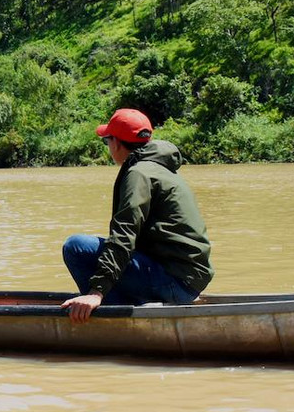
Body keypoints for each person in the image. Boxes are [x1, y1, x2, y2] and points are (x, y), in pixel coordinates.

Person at [61, 108, 213, 322]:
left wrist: (96, 291)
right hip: (190, 280)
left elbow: (124, 233)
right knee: (101, 251)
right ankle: (129, 300)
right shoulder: (162, 168)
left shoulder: (138, 173)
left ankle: (112, 316)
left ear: (116, 143)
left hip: (175, 282)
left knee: (76, 246)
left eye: (107, 141)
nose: (108, 147)